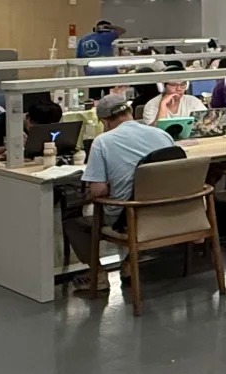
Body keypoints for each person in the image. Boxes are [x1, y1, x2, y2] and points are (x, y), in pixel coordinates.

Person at [66, 94, 180, 287]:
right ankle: (128, 263)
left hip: (128, 217)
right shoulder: (162, 135)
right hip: (165, 210)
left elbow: (98, 191)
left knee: (72, 222)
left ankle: (98, 275)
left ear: (104, 121)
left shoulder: (103, 141)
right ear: (129, 111)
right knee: (141, 202)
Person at [0, 98, 65, 161]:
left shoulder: (50, 123)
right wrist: (13, 146)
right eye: (35, 127)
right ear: (27, 117)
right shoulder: (5, 120)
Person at [144, 80, 208, 123]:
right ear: (163, 87)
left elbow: (207, 121)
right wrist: (163, 105)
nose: (179, 89)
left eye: (182, 84)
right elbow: (155, 132)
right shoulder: (151, 105)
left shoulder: (193, 101)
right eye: (173, 85)